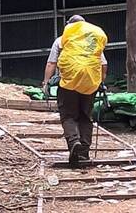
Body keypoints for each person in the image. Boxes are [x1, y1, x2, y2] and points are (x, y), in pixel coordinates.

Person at [42, 14, 108, 166]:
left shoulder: (62, 39)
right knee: (86, 116)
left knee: (68, 116)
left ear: (69, 25)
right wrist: (100, 82)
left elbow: (52, 63)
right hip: (90, 83)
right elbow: (103, 64)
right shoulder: (92, 40)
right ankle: (83, 153)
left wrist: (46, 82)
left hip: (68, 84)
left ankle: (74, 143)